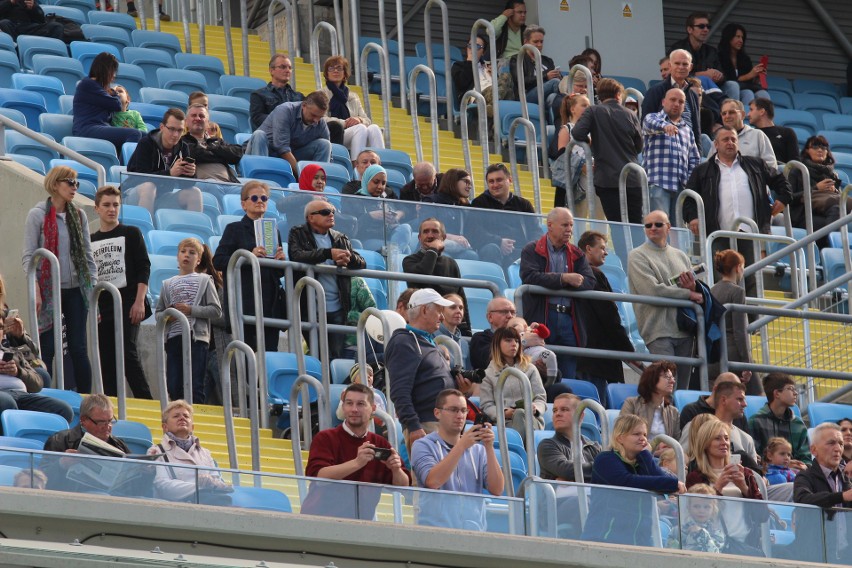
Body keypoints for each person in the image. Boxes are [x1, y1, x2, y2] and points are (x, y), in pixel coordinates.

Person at [683, 127, 791, 300]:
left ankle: (754, 324)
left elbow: (779, 180)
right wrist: (692, 217)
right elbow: (689, 198)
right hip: (719, 233)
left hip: (750, 233)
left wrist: (783, 199)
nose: (730, 143)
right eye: (725, 139)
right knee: (722, 280)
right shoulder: (702, 170)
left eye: (733, 139)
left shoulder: (756, 164)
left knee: (751, 279)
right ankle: (725, 323)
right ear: (716, 144)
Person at [22, 165, 97, 393]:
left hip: (75, 289)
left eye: (77, 183)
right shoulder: (37, 215)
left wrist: (91, 285)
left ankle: (85, 397)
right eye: (70, 182)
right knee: (47, 347)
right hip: (49, 290)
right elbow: (29, 256)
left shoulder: (79, 215)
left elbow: (86, 253)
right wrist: (35, 287)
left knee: (78, 347)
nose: (74, 188)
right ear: (55, 184)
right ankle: (46, 393)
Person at [303, 383, 410, 519]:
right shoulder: (325, 438)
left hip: (360, 525)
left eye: (360, 404)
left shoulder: (380, 443)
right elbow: (318, 476)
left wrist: (396, 470)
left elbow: (403, 485)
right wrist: (357, 463)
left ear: (373, 408)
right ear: (343, 407)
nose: (354, 409)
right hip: (320, 520)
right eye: (349, 403)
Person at [582, 414, 685, 546]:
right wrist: (672, 484)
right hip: (604, 538)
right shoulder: (606, 459)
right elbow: (628, 481)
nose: (643, 439)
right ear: (620, 437)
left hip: (639, 541)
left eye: (645, 435)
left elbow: (658, 481)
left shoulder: (643, 462)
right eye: (636, 434)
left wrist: (646, 456)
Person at [90, 185, 153, 399]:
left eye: (116, 205)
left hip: (128, 303)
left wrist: (139, 301)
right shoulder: (90, 240)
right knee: (106, 359)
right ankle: (112, 406)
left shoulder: (131, 233)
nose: (112, 209)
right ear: (96, 208)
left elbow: (144, 267)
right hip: (103, 307)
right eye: (106, 205)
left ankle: (146, 401)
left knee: (127, 353)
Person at [411, 388, 504, 529]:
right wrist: (461, 446)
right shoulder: (422, 445)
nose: (460, 415)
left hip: (473, 533)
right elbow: (433, 481)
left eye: (463, 410)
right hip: (435, 532)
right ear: (437, 413)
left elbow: (497, 489)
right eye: (454, 410)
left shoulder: (478, 450)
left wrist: (489, 448)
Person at [520, 207, 595, 380]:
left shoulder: (577, 253)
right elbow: (529, 276)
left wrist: (563, 282)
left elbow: (590, 281)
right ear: (550, 225)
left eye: (571, 225)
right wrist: (564, 279)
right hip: (542, 319)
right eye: (564, 225)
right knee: (540, 370)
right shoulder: (531, 249)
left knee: (568, 370)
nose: (569, 229)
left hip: (569, 319)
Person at [628, 210, 701, 389]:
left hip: (684, 329)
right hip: (658, 329)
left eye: (658, 224)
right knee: (665, 388)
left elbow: (692, 286)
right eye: (648, 225)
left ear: (668, 227)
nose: (653, 228)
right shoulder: (637, 255)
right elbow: (651, 291)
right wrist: (687, 294)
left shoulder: (681, 255)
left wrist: (692, 287)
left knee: (681, 389)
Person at [213, 181, 286, 353]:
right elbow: (219, 261)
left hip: (270, 306)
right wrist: (247, 254)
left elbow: (278, 273)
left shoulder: (273, 230)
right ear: (243, 204)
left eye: (264, 198)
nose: (259, 201)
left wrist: (281, 260)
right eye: (254, 197)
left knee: (268, 358)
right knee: (247, 358)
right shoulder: (234, 229)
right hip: (244, 303)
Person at [288, 199, 366, 359]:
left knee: (335, 355)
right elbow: (297, 255)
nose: (331, 214)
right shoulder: (298, 232)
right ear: (310, 217)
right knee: (318, 355)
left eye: (332, 211)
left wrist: (348, 259)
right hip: (310, 307)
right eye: (325, 212)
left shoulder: (340, 237)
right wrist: (328, 254)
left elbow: (361, 262)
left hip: (337, 307)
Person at [385, 289, 461, 448]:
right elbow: (399, 391)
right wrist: (413, 426)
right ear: (425, 310)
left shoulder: (428, 341)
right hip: (425, 426)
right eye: (439, 311)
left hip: (441, 424)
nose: (442, 316)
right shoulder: (404, 342)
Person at [155, 237, 223, 403]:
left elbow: (216, 310)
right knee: (173, 384)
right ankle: (178, 412)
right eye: (183, 252)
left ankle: (196, 417)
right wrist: (167, 317)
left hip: (196, 339)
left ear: (198, 259)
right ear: (177, 256)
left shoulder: (205, 280)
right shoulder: (167, 283)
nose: (187, 255)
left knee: (195, 383)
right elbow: (158, 314)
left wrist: (191, 310)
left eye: (192, 253)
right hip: (173, 339)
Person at [574, 231, 634, 405]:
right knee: (601, 409)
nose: (606, 252)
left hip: (583, 356)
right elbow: (609, 317)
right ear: (588, 249)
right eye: (601, 248)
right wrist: (628, 350)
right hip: (597, 358)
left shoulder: (573, 272)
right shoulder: (593, 274)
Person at [572, 78, 644, 223]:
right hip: (632, 179)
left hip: (607, 180)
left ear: (599, 94)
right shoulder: (631, 114)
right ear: (619, 94)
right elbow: (639, 146)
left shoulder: (593, 110)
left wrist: (591, 143)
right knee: (636, 226)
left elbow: (577, 132)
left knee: (616, 225)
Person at [685, 418, 766, 546]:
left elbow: (762, 515)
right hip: (712, 543)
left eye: (726, 438)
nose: (724, 443)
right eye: (717, 438)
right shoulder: (696, 477)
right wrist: (717, 487)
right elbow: (694, 513)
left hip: (746, 544)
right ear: (705, 443)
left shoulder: (745, 473)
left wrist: (744, 488)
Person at [147, 400, 232, 503]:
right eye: (176, 416)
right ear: (165, 427)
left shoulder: (205, 453)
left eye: (186, 416)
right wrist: (198, 487)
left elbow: (217, 482)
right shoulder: (156, 451)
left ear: (192, 427)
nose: (182, 418)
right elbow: (162, 485)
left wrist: (211, 483)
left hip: (207, 503)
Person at [42, 394, 130, 490]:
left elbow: (135, 490)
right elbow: (41, 480)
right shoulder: (60, 440)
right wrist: (61, 464)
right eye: (101, 422)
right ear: (83, 420)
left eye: (110, 421)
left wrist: (146, 472)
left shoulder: (119, 445)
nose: (107, 426)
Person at [0, 311, 74, 425]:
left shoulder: (10, 352)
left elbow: (38, 384)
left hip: (22, 396)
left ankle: (49, 443)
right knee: (6, 402)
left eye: (0, 327)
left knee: (64, 410)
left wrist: (18, 372)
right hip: (3, 396)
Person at [126, 108, 204, 214]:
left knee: (194, 193)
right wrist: (170, 173)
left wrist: (190, 175)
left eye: (180, 130)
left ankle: (193, 230)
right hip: (134, 194)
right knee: (149, 187)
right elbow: (140, 178)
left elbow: (184, 185)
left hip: (162, 197)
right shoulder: (146, 143)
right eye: (172, 129)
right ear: (162, 127)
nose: (176, 134)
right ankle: (146, 229)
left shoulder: (183, 147)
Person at [794, 422, 852, 562]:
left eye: (840, 443)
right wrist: (842, 496)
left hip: (846, 555)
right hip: (817, 556)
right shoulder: (805, 476)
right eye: (831, 443)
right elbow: (803, 499)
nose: (838, 449)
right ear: (814, 450)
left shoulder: (846, 476)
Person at [642, 87, 701, 220]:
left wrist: (689, 183)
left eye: (681, 102)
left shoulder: (687, 130)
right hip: (658, 183)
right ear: (663, 102)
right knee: (658, 226)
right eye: (673, 100)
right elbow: (650, 124)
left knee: (677, 233)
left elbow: (694, 159)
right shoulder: (652, 117)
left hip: (680, 187)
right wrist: (665, 126)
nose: (676, 104)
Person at [402, 219, 470, 332]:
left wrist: (467, 330)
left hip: (449, 326)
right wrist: (433, 249)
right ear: (419, 238)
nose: (430, 235)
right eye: (426, 231)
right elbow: (423, 275)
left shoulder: (451, 263)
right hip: (424, 324)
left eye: (434, 231)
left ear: (443, 237)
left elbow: (460, 297)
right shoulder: (410, 260)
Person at [72, 53, 143, 155]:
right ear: (105, 70)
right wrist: (115, 93)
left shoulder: (101, 88)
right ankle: (126, 168)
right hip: (87, 128)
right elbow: (116, 105)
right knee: (134, 133)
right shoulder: (88, 84)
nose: (114, 76)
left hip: (101, 127)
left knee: (147, 137)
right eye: (113, 71)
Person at [470, 163, 538, 267]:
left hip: (520, 251)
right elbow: (474, 231)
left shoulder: (524, 204)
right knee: (491, 249)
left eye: (499, 180)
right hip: (493, 250)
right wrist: (498, 241)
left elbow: (536, 231)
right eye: (491, 181)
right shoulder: (478, 203)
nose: (495, 185)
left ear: (509, 180)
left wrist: (528, 248)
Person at [480, 326, 546, 432]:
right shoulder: (488, 374)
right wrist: (505, 412)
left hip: (532, 420)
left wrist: (535, 408)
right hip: (505, 424)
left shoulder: (530, 368)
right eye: (508, 340)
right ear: (497, 344)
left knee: (521, 414)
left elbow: (541, 398)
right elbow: (487, 405)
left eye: (517, 341)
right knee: (519, 414)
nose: (514, 344)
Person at [680, 381, 758, 468]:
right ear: (724, 400)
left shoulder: (747, 439)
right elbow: (681, 460)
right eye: (739, 399)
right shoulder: (695, 427)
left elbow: (755, 476)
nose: (745, 404)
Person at [252, 91, 333, 174]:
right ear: (304, 105)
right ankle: (259, 177)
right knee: (259, 135)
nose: (316, 121)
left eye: (320, 117)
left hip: (292, 156)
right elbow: (282, 149)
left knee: (325, 144)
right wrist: (302, 175)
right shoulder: (285, 110)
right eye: (313, 115)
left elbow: (329, 156)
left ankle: (315, 181)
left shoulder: (320, 123)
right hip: (265, 152)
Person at [788, 134, 852, 238]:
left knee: (837, 210)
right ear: (807, 151)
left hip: (828, 212)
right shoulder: (797, 171)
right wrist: (816, 188)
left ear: (827, 152)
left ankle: (830, 244)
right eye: (815, 147)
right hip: (804, 215)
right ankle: (830, 243)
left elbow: (836, 198)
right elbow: (789, 198)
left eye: (823, 147)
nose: (820, 150)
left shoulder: (831, 174)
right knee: (836, 219)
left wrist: (834, 190)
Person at [320, 55, 385, 159]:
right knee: (360, 128)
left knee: (374, 128)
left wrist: (358, 119)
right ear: (326, 73)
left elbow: (367, 120)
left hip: (356, 133)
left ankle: (382, 166)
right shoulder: (321, 94)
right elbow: (321, 118)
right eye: (331, 68)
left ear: (345, 73)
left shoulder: (353, 96)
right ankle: (356, 165)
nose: (335, 71)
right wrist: (344, 122)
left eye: (339, 68)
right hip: (336, 134)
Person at [708, 250, 753, 388]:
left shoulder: (712, 290)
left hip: (712, 351)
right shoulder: (737, 292)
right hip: (731, 353)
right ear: (738, 267)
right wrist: (746, 361)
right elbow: (739, 330)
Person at [748, 372, 811, 467]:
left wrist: (802, 466)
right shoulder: (756, 421)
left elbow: (807, 460)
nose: (795, 393)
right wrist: (783, 465)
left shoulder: (798, 424)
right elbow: (753, 459)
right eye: (790, 389)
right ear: (777, 393)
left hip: (797, 477)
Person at [538, 392, 602, 482]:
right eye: (554, 410)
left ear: (581, 416)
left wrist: (570, 479)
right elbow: (567, 470)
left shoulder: (594, 447)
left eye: (564, 409)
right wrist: (600, 468)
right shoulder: (547, 445)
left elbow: (610, 472)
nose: (557, 414)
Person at [642, 50, 702, 142]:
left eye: (685, 64)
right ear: (670, 66)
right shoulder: (655, 91)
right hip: (663, 149)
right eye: (677, 63)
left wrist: (698, 153)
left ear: (690, 67)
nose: (681, 67)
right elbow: (646, 122)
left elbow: (696, 129)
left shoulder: (693, 95)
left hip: (687, 150)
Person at [348, 164, 409, 251]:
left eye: (383, 183)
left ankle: (394, 255)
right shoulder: (354, 199)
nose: (380, 186)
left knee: (405, 228)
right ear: (367, 180)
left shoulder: (386, 196)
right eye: (376, 182)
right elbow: (351, 230)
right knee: (405, 249)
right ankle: (394, 257)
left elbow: (406, 208)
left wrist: (398, 214)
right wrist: (370, 216)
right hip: (368, 238)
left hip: (390, 235)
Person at [182, 103, 243, 184]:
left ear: (207, 123)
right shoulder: (182, 141)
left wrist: (214, 148)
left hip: (230, 183)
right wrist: (222, 155)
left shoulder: (216, 141)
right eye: (193, 115)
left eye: (202, 116)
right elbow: (194, 154)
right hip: (205, 184)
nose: (198, 118)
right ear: (186, 122)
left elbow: (237, 153)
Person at [621, 361, 681, 442]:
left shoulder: (673, 412)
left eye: (672, 378)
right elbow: (623, 434)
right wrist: (653, 448)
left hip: (665, 454)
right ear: (652, 379)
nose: (672, 381)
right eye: (667, 377)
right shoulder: (632, 404)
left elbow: (677, 443)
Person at [550, 93, 590, 211]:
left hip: (586, 175)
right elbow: (562, 154)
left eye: (588, 106)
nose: (588, 108)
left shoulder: (590, 131)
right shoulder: (566, 129)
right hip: (569, 176)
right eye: (584, 105)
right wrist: (581, 164)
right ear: (573, 109)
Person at [710, 99, 776, 168]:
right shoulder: (717, 141)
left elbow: (771, 165)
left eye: (731, 112)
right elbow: (708, 167)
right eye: (724, 114)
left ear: (742, 115)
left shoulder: (758, 135)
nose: (727, 116)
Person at [717, 23, 769, 106]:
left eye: (742, 37)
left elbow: (749, 82)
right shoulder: (718, 56)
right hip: (723, 89)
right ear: (729, 37)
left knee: (757, 93)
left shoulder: (745, 59)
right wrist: (749, 75)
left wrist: (756, 77)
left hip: (743, 89)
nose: (741, 40)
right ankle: (733, 115)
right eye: (737, 37)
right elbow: (726, 79)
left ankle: (753, 118)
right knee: (733, 86)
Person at [508, 25, 561, 105]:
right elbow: (520, 82)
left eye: (541, 41)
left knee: (553, 96)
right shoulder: (517, 59)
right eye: (536, 42)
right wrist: (545, 76)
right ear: (526, 42)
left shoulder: (548, 60)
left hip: (547, 94)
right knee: (555, 82)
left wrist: (559, 76)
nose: (539, 45)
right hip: (527, 95)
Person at [250, 54, 304, 131]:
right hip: (269, 136)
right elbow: (257, 118)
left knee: (322, 142)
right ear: (271, 70)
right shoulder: (258, 95)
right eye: (283, 67)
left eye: (290, 67)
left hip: (293, 137)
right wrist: (282, 120)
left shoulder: (299, 96)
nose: (287, 70)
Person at [668, 12, 723, 84]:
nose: (706, 30)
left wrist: (719, 75)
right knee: (703, 79)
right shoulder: (677, 50)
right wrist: (703, 74)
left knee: (732, 85)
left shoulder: (712, 51)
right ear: (689, 29)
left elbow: (724, 75)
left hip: (711, 88)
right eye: (701, 26)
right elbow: (673, 75)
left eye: (708, 26)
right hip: (686, 89)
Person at [673, 483, 727, 552]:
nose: (701, 511)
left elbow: (715, 554)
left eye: (706, 507)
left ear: (713, 509)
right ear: (688, 507)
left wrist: (702, 533)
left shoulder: (717, 533)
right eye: (696, 506)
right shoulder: (677, 531)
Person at [451, 35, 494, 117]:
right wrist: (470, 62)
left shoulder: (486, 67)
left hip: (492, 95)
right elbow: (462, 84)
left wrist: (494, 76)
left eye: (477, 46)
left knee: (506, 78)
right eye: (470, 45)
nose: (473, 49)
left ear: (483, 52)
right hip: (474, 97)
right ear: (467, 48)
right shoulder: (458, 66)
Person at [469, 296, 516, 371]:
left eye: (513, 312)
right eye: (504, 312)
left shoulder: (522, 335)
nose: (510, 316)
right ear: (490, 317)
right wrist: (523, 341)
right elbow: (489, 361)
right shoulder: (480, 338)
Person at [748, 97, 799, 164]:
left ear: (762, 112)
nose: (748, 114)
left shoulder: (787, 133)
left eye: (751, 110)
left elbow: (795, 163)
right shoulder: (749, 134)